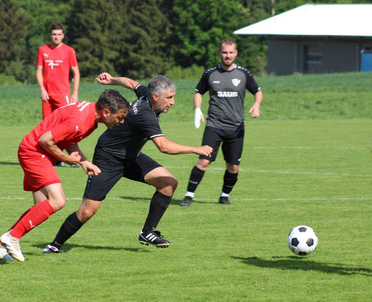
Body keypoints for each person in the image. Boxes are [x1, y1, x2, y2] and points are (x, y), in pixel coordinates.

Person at [42, 72, 213, 253]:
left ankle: (147, 232)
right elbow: (164, 146)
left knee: (168, 183)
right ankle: (55, 245)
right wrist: (196, 149)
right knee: (87, 211)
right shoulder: (145, 114)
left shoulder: (146, 95)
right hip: (108, 159)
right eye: (169, 98)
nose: (172, 102)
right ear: (155, 97)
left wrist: (112, 80)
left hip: (131, 157)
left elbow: (132, 83)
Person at [0, 90, 129, 262]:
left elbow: (68, 138)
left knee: (40, 207)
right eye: (120, 117)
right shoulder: (79, 121)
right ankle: (12, 238)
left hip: (37, 152)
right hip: (34, 152)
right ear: (106, 112)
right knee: (58, 200)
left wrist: (84, 162)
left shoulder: (89, 116)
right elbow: (45, 140)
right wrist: (66, 158)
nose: (121, 121)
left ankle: (1, 245)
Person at [180, 39, 263, 207]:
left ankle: (224, 195)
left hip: (236, 128)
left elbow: (258, 91)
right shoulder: (210, 73)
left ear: (236, 53)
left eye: (231, 52)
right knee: (203, 161)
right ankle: (188, 195)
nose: (228, 55)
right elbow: (198, 92)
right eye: (225, 52)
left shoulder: (243, 74)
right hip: (214, 126)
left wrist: (256, 104)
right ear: (220, 53)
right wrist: (198, 109)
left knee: (233, 167)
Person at [36, 23, 80, 167]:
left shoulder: (69, 51)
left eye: (59, 34)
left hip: (63, 95)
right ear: (50, 35)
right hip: (47, 96)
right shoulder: (43, 50)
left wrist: (74, 93)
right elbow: (38, 71)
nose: (56, 37)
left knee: (67, 126)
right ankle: (55, 158)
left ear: (63, 35)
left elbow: (76, 72)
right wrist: (42, 89)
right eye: (54, 34)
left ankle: (73, 157)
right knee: (48, 128)